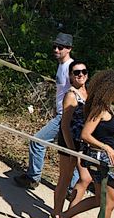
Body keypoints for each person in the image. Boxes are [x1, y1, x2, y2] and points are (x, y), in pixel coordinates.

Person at [59, 70, 114, 218]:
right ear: (110, 88)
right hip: (98, 159)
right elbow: (85, 134)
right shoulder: (100, 109)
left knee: (100, 200)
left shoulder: (107, 108)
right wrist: (106, 148)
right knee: (110, 201)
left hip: (104, 160)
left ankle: (65, 217)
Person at [17, 34, 74, 188]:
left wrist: (69, 113)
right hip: (62, 113)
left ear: (69, 49)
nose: (56, 50)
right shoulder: (62, 65)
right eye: (55, 46)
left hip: (66, 116)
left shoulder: (71, 68)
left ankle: (33, 177)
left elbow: (78, 91)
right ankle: (72, 187)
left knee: (38, 141)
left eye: (60, 47)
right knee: (70, 150)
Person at [51, 61, 90, 218]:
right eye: (76, 72)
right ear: (71, 76)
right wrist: (71, 149)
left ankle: (71, 212)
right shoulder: (71, 95)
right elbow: (65, 125)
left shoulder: (89, 93)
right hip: (70, 141)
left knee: (86, 178)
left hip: (83, 142)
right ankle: (56, 214)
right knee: (65, 178)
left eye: (83, 71)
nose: (80, 75)